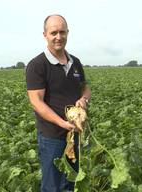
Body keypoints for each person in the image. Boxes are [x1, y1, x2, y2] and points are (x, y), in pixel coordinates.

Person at [26, 14, 91, 192]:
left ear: (68, 33)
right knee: (52, 186)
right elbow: (36, 102)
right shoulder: (37, 65)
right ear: (45, 35)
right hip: (52, 137)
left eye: (62, 32)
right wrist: (62, 123)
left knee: (70, 181)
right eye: (53, 32)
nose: (58, 37)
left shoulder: (75, 62)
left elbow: (85, 88)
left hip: (75, 135)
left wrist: (83, 99)